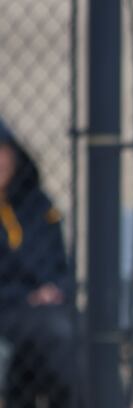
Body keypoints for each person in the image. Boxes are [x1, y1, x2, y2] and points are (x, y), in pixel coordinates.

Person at [0, 118, 79, 407]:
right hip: (9, 308)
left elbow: (63, 265)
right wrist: (27, 297)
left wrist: (56, 289)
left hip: (50, 311)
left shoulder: (38, 204)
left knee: (72, 332)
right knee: (58, 334)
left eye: (2, 151)